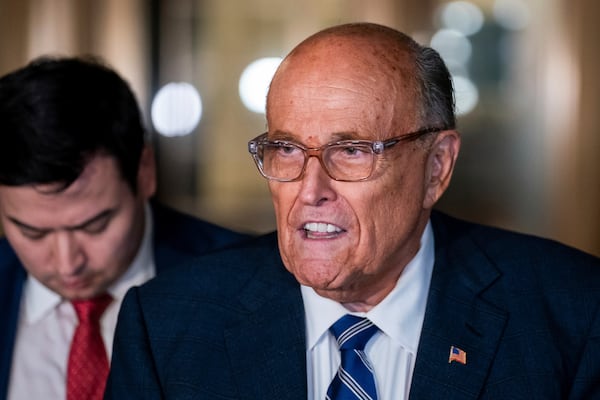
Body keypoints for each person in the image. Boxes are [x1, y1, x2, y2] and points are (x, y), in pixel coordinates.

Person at [105, 22, 600, 400]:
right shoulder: (169, 323)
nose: (310, 190)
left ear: (437, 167)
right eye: (287, 149)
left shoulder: (573, 312)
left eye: (353, 151)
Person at [0, 56, 249, 400]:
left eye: (95, 226)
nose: (67, 262)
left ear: (145, 171)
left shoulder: (245, 283)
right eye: (33, 233)